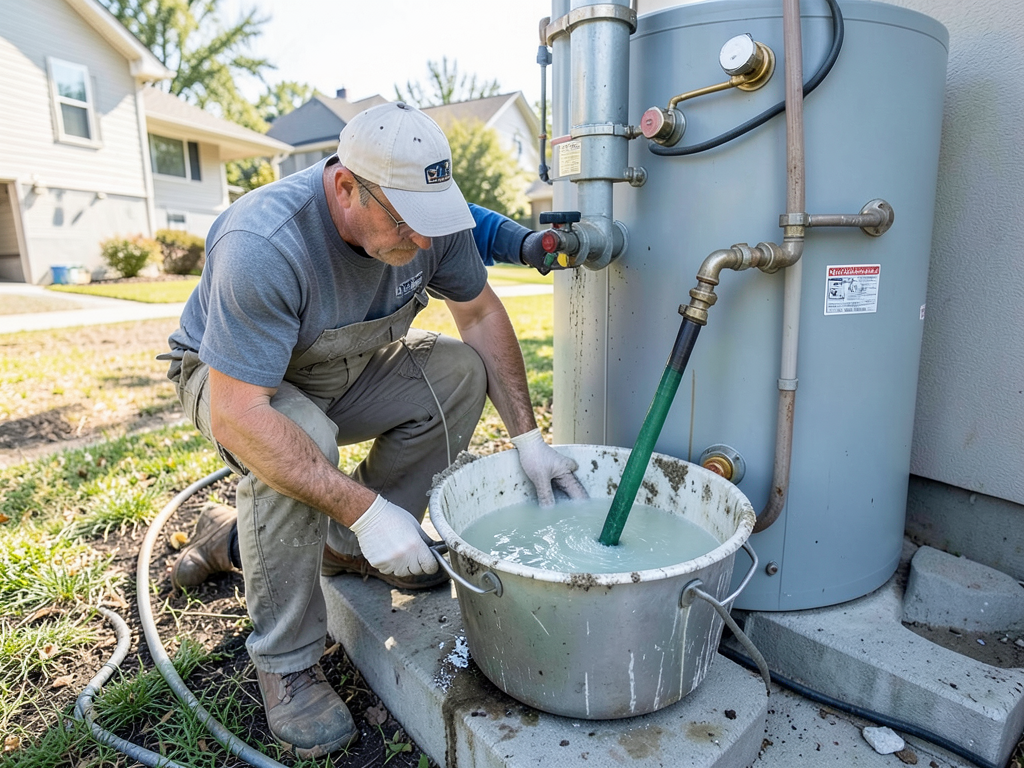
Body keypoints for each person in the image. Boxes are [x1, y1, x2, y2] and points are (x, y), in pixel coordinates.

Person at [160, 102, 586, 759]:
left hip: (349, 361)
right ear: (345, 186)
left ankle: (338, 546)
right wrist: (368, 509)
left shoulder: (430, 213)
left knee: (459, 373)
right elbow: (240, 415)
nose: (422, 243)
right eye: (403, 223)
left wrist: (529, 438)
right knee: (299, 442)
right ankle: (288, 664)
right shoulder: (264, 244)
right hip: (241, 386)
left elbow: (478, 315)